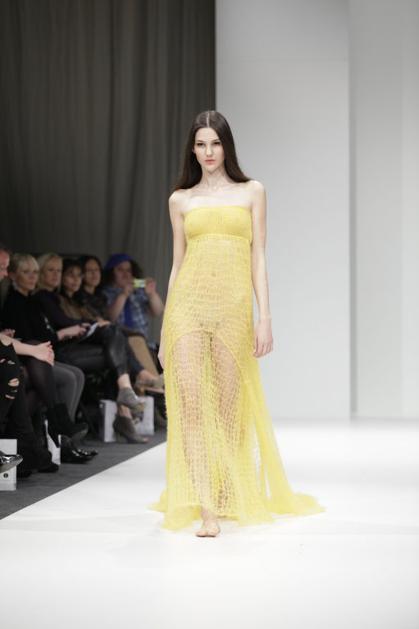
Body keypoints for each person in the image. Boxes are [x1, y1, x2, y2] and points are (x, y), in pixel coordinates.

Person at [148, 110, 326, 536]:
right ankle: (207, 507)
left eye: (215, 143)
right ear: (192, 150)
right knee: (191, 408)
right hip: (187, 307)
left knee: (229, 407)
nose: (208, 152)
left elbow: (258, 256)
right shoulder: (180, 200)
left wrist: (266, 317)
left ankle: (226, 489)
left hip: (232, 310)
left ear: (227, 146)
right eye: (200, 144)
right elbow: (177, 264)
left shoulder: (252, 192)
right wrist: (166, 327)